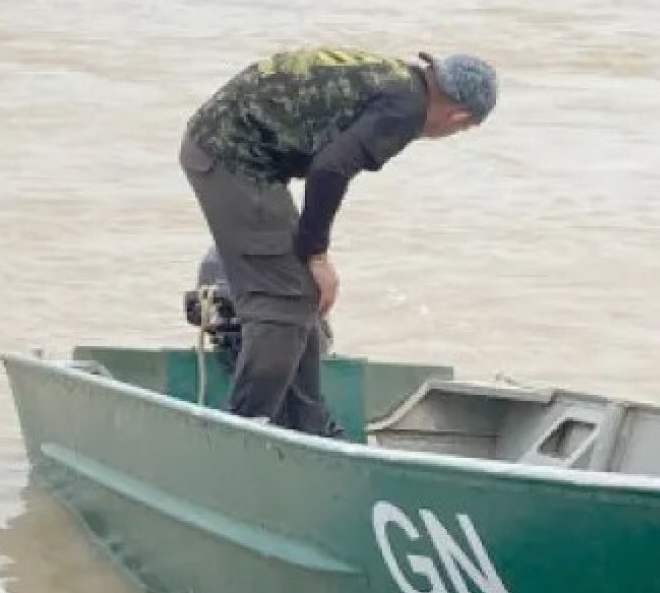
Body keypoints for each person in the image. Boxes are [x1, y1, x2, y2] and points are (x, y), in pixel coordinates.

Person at [179, 47, 497, 434]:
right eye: (461, 130)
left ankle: (307, 426)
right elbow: (330, 169)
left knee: (302, 295)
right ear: (458, 117)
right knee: (282, 301)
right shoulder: (405, 110)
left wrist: (311, 259)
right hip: (229, 155)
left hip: (242, 154)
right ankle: (244, 428)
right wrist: (316, 255)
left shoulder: (401, 81)